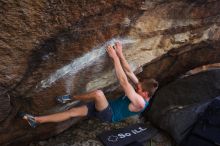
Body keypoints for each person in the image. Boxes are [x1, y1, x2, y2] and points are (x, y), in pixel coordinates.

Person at [20, 42, 158, 128]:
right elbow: (128, 72)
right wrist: (120, 54)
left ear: (145, 94)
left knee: (98, 94)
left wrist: (114, 57)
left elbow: (123, 81)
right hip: (105, 107)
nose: (136, 87)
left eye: (138, 89)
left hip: (108, 114)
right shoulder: (143, 90)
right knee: (71, 113)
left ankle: (70, 97)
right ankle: (36, 120)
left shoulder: (140, 102)